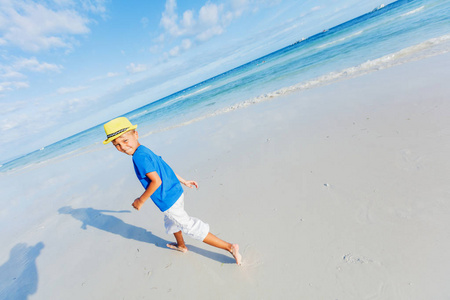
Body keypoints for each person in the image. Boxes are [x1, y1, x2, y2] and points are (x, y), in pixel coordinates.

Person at [103, 117, 242, 265]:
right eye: (116, 144)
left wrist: (140, 200)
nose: (122, 147)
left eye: (125, 141)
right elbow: (165, 168)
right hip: (176, 191)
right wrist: (184, 181)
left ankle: (229, 247)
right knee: (171, 221)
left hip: (167, 199)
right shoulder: (143, 150)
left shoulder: (139, 157)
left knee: (189, 226)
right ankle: (181, 245)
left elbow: (156, 181)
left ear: (135, 135)